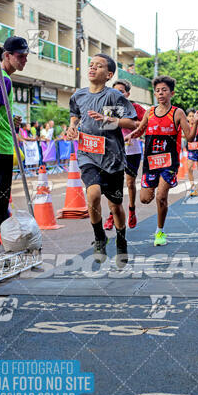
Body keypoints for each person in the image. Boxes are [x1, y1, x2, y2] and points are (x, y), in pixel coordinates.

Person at [66, 53, 137, 266]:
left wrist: (110, 119)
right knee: (93, 193)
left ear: (109, 74)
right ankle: (99, 237)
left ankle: (121, 241)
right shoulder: (78, 95)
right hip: (88, 155)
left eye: (99, 66)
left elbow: (132, 123)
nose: (93, 68)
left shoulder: (114, 96)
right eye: (91, 65)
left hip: (112, 158)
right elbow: (74, 114)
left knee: (115, 206)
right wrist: (72, 128)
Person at [125, 76, 198, 246]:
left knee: (161, 196)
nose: (160, 93)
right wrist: (131, 135)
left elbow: (190, 137)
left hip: (169, 162)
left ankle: (160, 231)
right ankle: (153, 196)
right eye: (158, 90)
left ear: (171, 93)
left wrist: (196, 123)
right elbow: (141, 129)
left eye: (164, 90)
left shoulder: (178, 113)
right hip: (151, 162)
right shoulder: (150, 112)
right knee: (145, 199)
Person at [0, 36, 29, 253]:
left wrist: (12, 121)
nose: (24, 60)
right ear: (7, 56)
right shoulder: (4, 80)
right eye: (20, 56)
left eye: (26, 57)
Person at [104, 79, 145, 230]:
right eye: (114, 91)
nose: (117, 94)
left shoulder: (135, 108)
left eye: (121, 91)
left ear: (127, 94)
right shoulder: (109, 109)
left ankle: (132, 210)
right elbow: (106, 128)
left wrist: (133, 128)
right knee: (115, 184)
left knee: (130, 183)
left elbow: (145, 124)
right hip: (114, 151)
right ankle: (112, 214)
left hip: (132, 150)